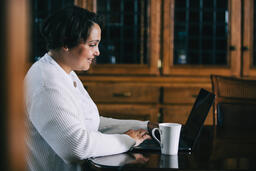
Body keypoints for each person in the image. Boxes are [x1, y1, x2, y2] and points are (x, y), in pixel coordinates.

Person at [25, 6, 158, 171]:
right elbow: (77, 147)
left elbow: (91, 122)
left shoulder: (65, 72)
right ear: (66, 43)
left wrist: (144, 127)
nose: (98, 52)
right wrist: (127, 140)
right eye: (92, 44)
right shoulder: (47, 86)